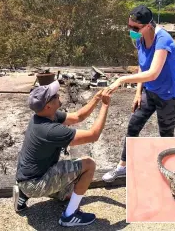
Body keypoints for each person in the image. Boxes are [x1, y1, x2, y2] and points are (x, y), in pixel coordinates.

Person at [102, 5, 175, 182]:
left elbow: (153, 72)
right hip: (149, 91)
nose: (131, 30)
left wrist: (121, 80)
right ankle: (122, 167)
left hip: (168, 96)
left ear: (148, 25)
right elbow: (143, 65)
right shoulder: (139, 40)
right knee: (133, 125)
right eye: (129, 26)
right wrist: (138, 92)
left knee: (166, 135)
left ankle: (169, 173)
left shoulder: (164, 40)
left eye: (135, 28)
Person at [13, 80, 112, 227]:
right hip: (36, 183)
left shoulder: (43, 117)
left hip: (26, 178)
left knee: (70, 194)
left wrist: (96, 98)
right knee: (89, 164)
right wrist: (105, 105)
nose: (58, 95)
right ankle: (69, 216)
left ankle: (23, 194)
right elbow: (93, 135)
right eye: (55, 96)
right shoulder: (50, 130)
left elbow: (78, 116)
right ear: (48, 106)